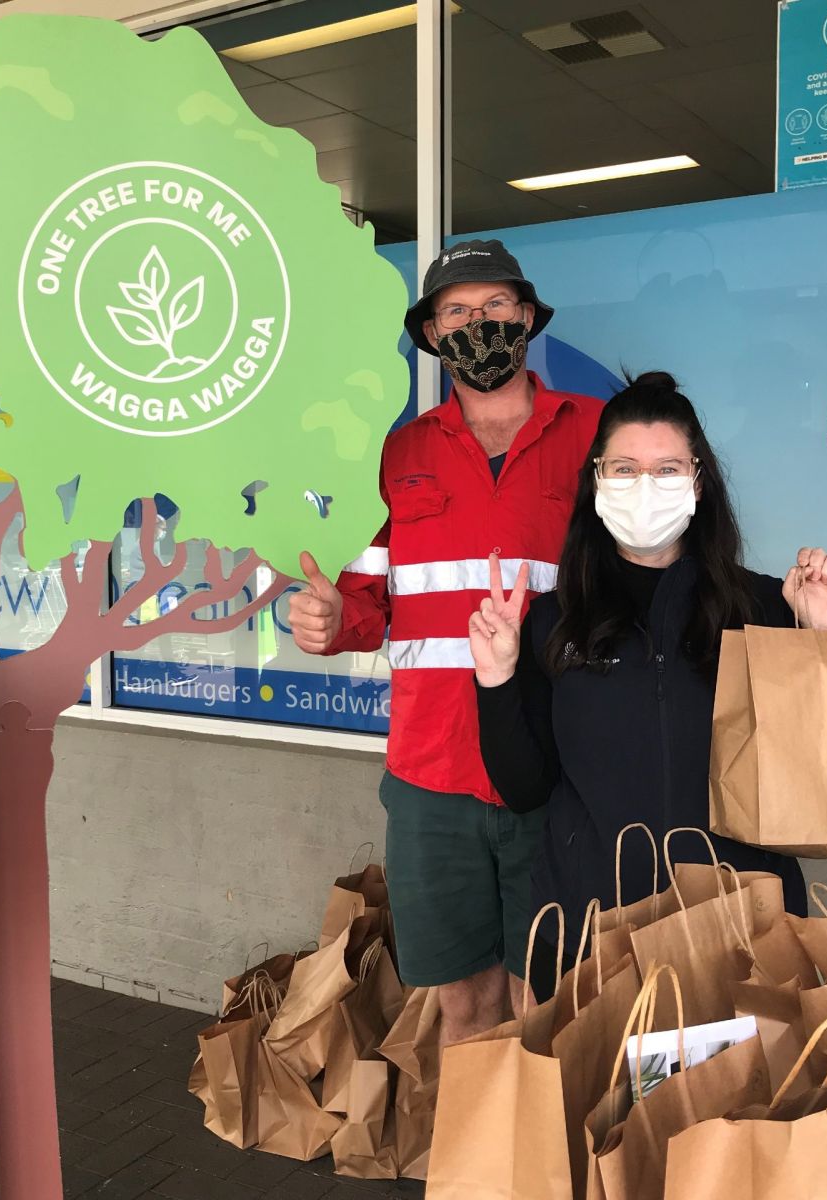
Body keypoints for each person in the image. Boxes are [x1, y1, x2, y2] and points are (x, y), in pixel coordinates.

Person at [288, 240, 603, 1044]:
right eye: (456, 312)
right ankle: (477, 1166)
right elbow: (366, 601)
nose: (478, 324)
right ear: (431, 334)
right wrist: (330, 623)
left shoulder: (598, 436)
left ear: (527, 316)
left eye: (496, 306)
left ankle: (553, 1165)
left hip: (560, 769)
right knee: (462, 1002)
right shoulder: (395, 456)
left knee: (557, 1001)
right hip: (432, 779)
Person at [468, 371, 827, 999]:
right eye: (623, 469)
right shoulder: (553, 620)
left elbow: (820, 782)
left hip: (743, 926)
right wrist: (496, 677)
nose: (644, 487)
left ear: (698, 483)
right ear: (596, 481)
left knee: (735, 1097)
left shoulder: (763, 607)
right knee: (600, 1099)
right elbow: (523, 788)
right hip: (589, 934)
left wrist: (824, 638)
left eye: (667, 469)